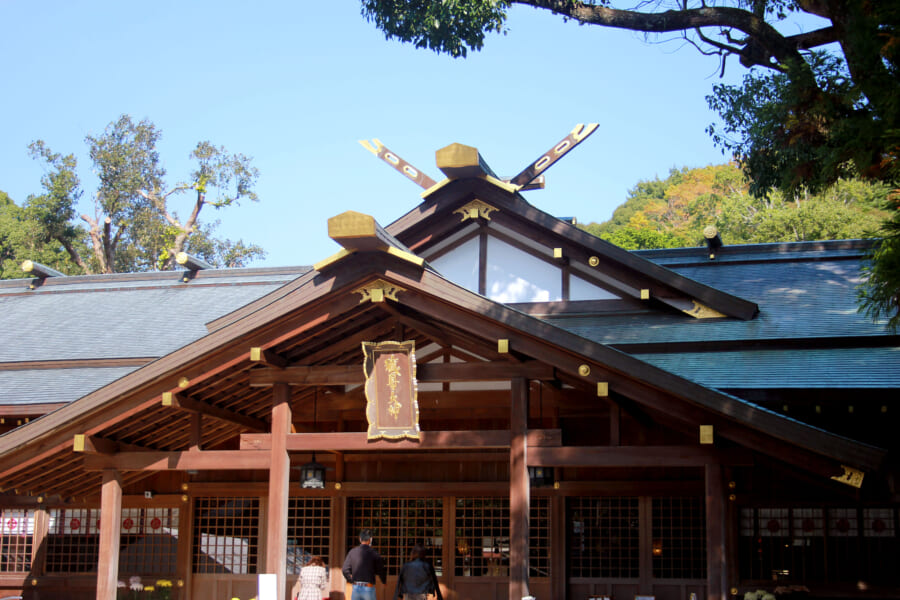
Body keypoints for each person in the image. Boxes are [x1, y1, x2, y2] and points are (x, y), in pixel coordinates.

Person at [342, 528, 387, 600]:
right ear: (370, 540)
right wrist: (384, 581)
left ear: (360, 539)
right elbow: (381, 570)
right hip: (368, 588)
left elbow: (345, 569)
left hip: (356, 587)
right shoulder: (374, 553)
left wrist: (351, 580)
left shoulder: (352, 552)